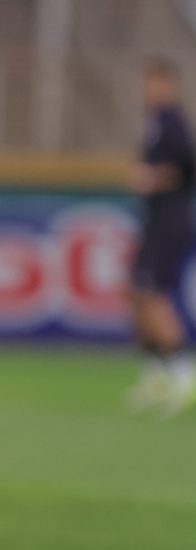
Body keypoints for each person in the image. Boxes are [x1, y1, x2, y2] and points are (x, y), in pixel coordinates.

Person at [128, 58, 196, 415]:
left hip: (170, 221)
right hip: (155, 220)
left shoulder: (172, 121)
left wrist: (153, 178)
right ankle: (156, 373)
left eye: (157, 82)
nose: (151, 89)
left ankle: (184, 375)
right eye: (148, 82)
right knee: (137, 294)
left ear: (169, 84)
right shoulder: (154, 121)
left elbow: (187, 165)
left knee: (153, 295)